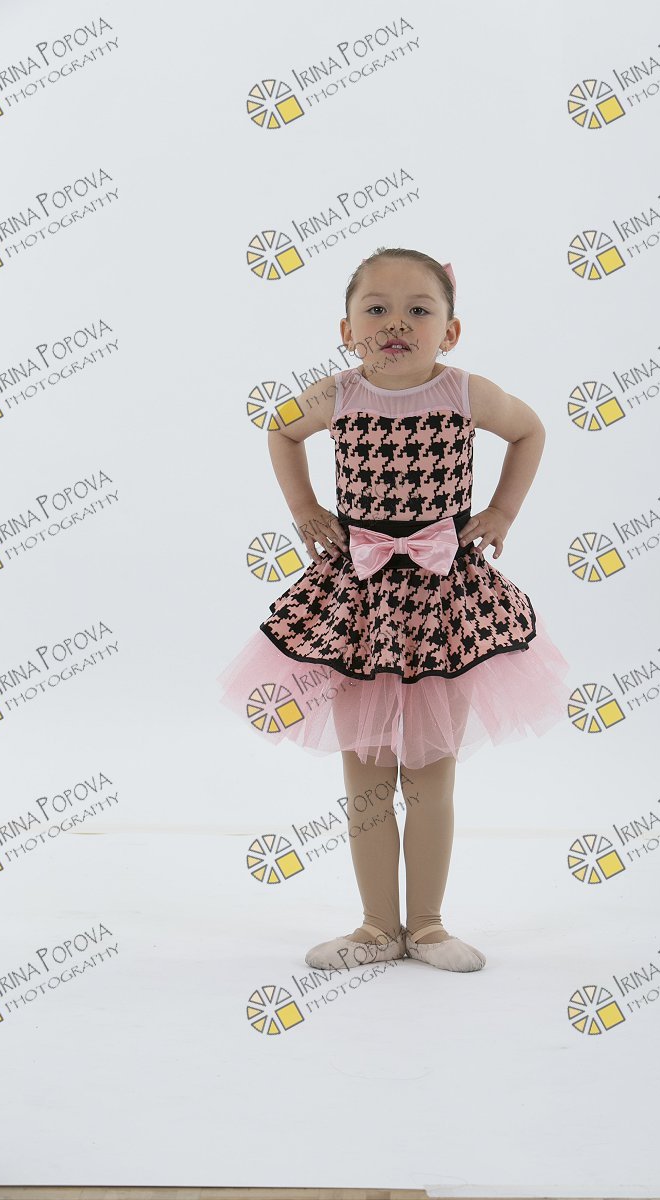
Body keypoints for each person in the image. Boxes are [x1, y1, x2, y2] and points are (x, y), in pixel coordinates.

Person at [217, 248, 572, 974]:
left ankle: (430, 926)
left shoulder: (466, 393)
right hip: (359, 600)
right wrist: (305, 508)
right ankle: (378, 925)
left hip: (446, 599)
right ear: (346, 330)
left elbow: (531, 429)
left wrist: (502, 511)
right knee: (367, 773)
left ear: (451, 330)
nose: (396, 324)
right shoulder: (338, 394)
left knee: (432, 770)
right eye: (375, 309)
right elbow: (281, 428)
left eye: (419, 310)